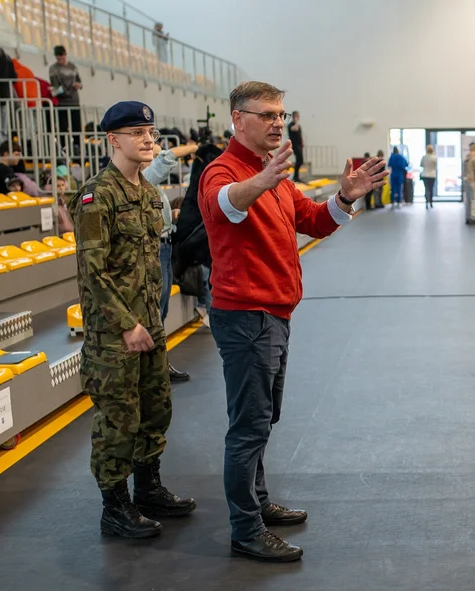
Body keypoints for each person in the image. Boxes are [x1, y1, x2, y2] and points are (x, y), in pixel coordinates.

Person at [198, 81, 387, 562]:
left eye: (281, 114)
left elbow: (313, 220)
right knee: (248, 427)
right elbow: (223, 205)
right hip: (246, 316)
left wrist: (346, 198)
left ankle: (257, 503)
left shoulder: (273, 171)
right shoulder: (223, 171)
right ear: (238, 119)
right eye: (267, 115)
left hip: (275, 313)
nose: (278, 123)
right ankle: (245, 530)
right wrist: (260, 182)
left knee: (263, 419)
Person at [69, 100, 197, 540]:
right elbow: (93, 272)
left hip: (148, 326)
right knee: (117, 421)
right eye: (137, 133)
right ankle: (115, 507)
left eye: (151, 132)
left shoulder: (147, 193)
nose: (148, 140)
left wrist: (146, 322)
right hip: (114, 335)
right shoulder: (95, 196)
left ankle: (148, 489)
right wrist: (126, 323)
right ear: (113, 140)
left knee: (154, 410)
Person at [143, 140, 200, 381]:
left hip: (165, 246)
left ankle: (159, 364)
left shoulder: (145, 179)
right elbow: (166, 157)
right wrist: (193, 148)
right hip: (156, 249)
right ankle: (154, 368)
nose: (150, 143)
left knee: (162, 310)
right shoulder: (143, 176)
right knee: (156, 311)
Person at [48, 46, 82, 150]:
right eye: (58, 57)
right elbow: (55, 85)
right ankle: (63, 146)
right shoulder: (53, 68)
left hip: (74, 101)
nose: (61, 59)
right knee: (62, 127)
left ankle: (77, 146)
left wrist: (78, 85)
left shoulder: (72, 67)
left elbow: (79, 81)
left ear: (65, 55)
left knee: (76, 126)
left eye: (62, 56)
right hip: (62, 103)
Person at [287, 111, 304, 183]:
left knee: (300, 160)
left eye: (298, 116)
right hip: (295, 145)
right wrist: (296, 122)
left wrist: (302, 142)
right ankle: (295, 177)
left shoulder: (298, 125)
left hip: (299, 145)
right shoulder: (290, 125)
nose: (297, 117)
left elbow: (300, 134)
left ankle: (296, 177)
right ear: (293, 116)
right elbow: (295, 129)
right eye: (296, 116)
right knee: (300, 160)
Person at [420, 144, 437, 209]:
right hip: (432, 175)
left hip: (425, 175)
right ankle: (431, 202)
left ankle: (426, 202)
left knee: (426, 189)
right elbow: (435, 166)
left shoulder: (424, 157)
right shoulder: (434, 157)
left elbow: (421, 165)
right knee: (431, 189)